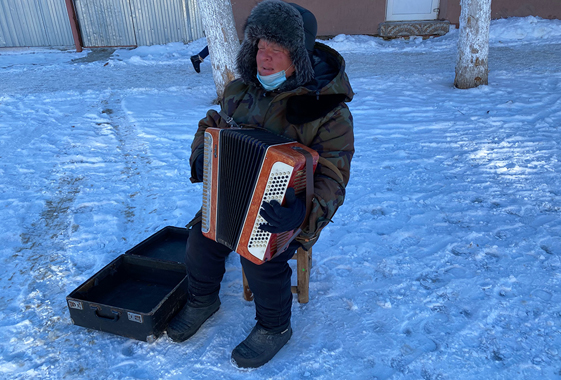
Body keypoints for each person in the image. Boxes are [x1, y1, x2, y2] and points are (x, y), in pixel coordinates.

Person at [167, 0, 354, 368]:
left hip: (286, 212)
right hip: (233, 198)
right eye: (259, 48)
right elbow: (211, 127)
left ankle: (275, 326)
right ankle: (202, 299)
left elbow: (334, 177)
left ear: (299, 56)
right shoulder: (240, 91)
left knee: (260, 257)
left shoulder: (328, 109)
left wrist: (301, 214)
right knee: (200, 239)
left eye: (277, 49)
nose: (264, 59)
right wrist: (202, 155)